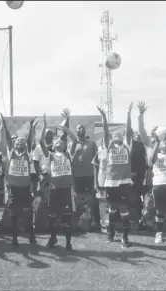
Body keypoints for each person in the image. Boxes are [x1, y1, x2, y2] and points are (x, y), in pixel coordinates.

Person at [98, 103, 134, 248]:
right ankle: (111, 234)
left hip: (124, 182)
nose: (116, 135)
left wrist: (129, 114)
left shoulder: (127, 145)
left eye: (119, 134)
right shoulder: (109, 146)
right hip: (111, 182)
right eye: (114, 135)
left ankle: (125, 237)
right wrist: (104, 116)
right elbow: (106, 132)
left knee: (124, 210)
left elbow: (129, 131)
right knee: (112, 209)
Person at [40, 114, 77, 251]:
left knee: (67, 217)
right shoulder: (49, 155)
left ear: (64, 145)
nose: (58, 142)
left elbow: (74, 139)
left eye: (60, 142)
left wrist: (65, 128)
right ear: (53, 146)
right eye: (56, 142)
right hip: (54, 189)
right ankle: (53, 238)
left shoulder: (68, 154)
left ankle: (68, 242)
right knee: (52, 216)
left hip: (67, 189)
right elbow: (40, 141)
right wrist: (44, 125)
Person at [0, 113, 37, 248]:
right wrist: (4, 124)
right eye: (18, 141)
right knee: (14, 214)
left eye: (22, 141)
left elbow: (29, 140)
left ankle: (31, 236)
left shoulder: (27, 153)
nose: (20, 142)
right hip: (14, 189)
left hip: (25, 189)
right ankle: (14, 238)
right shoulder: (11, 152)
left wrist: (32, 126)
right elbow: (8, 138)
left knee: (28, 213)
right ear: (14, 144)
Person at [68, 112, 100, 230]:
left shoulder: (91, 143)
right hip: (77, 177)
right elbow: (69, 159)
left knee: (93, 200)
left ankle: (96, 222)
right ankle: (79, 222)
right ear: (75, 132)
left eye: (82, 128)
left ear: (85, 131)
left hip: (90, 176)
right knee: (78, 201)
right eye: (78, 128)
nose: (80, 129)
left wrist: (97, 179)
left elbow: (97, 161)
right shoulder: (71, 144)